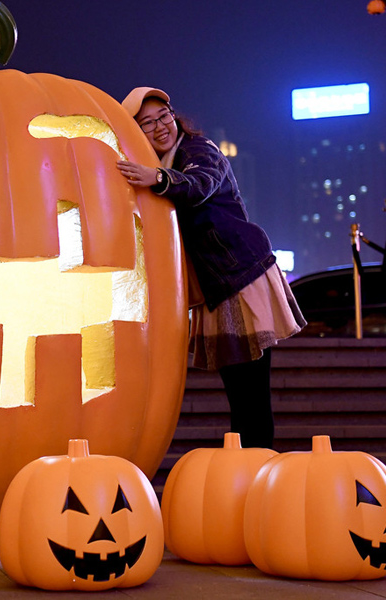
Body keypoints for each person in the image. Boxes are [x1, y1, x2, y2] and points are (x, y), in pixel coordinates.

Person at [116, 87, 306, 449]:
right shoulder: (164, 164)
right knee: (240, 391)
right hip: (217, 285)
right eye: (147, 124)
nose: (160, 128)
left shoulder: (197, 151)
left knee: (250, 390)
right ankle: (251, 464)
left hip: (240, 278)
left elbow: (199, 185)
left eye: (164, 116)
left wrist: (157, 179)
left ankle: (257, 466)